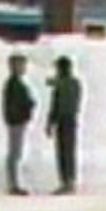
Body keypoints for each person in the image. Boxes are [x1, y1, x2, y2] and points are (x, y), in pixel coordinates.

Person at [45, 56, 82, 195]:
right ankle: (71, 180)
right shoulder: (76, 83)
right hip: (72, 119)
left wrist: (50, 122)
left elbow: (55, 105)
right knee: (70, 151)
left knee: (62, 151)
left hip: (62, 120)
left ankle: (65, 181)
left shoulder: (60, 84)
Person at [2, 52, 36, 196]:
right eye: (21, 65)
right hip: (16, 121)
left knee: (16, 153)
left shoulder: (16, 83)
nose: (24, 68)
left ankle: (14, 183)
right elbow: (14, 104)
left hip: (17, 121)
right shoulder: (14, 83)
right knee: (15, 153)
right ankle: (13, 184)